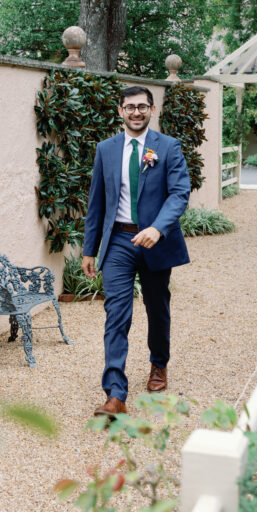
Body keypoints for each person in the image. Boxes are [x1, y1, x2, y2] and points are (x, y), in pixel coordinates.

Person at [82, 85, 190, 419]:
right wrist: (89, 249)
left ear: (152, 110)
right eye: (130, 107)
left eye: (142, 106)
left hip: (155, 240)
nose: (136, 112)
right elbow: (97, 202)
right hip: (119, 241)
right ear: (120, 112)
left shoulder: (168, 147)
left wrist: (158, 228)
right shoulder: (106, 149)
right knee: (116, 312)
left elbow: (179, 193)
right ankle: (115, 394)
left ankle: (159, 363)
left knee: (157, 308)